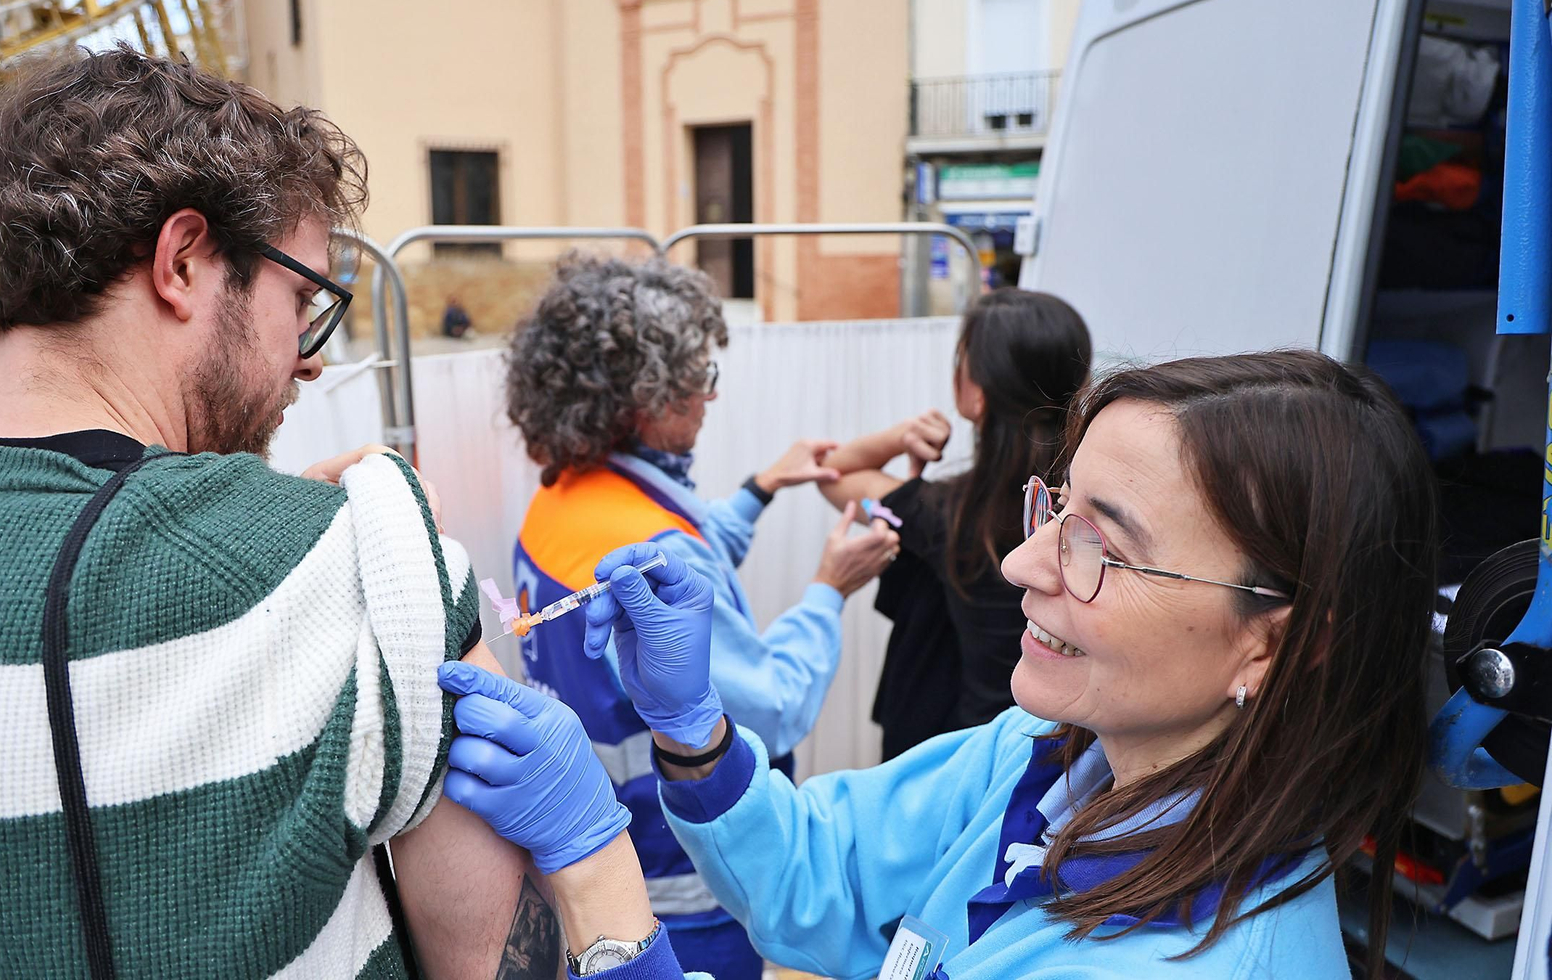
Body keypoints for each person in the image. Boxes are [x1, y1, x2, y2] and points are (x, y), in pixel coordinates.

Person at [448, 350, 1440, 979]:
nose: (1022, 564)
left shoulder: (1175, 961)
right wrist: (694, 732)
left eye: (1100, 545)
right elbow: (823, 869)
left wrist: (596, 877)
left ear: (1272, 640)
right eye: (1056, 507)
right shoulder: (1046, 757)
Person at [0, 48, 557, 978]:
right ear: (183, 261)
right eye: (303, 296)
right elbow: (500, 964)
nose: (310, 357)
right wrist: (361, 555)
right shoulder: (369, 564)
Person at [501, 252, 899, 978]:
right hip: (690, 883)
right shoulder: (652, 541)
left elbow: (682, 567)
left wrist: (759, 489)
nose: (710, 396)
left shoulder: (560, 499)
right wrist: (829, 590)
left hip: (606, 864)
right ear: (647, 402)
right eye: (699, 377)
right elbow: (772, 707)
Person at [820, 290, 1091, 758]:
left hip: (974, 753)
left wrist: (900, 437)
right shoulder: (1097, 511)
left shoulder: (948, 514)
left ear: (976, 394)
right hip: (1077, 750)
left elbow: (832, 473)